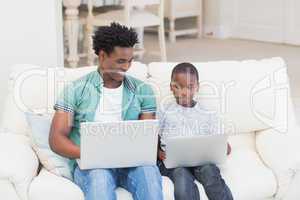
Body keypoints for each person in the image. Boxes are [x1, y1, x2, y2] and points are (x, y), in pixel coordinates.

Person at [49, 22, 163, 200]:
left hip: (131, 162)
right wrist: (92, 153)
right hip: (93, 165)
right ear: (102, 56)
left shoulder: (143, 91)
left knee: (149, 174)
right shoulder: (76, 89)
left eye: (130, 61)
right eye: (120, 61)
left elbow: (147, 138)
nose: (126, 67)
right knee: (99, 180)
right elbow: (56, 139)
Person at [157, 62, 233, 200]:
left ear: (197, 87)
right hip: (175, 164)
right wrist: (158, 152)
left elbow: (219, 140)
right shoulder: (164, 110)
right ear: (171, 87)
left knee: (210, 172)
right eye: (178, 87)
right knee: (181, 178)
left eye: (190, 87)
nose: (184, 92)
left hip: (201, 161)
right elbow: (153, 135)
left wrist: (224, 146)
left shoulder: (207, 113)